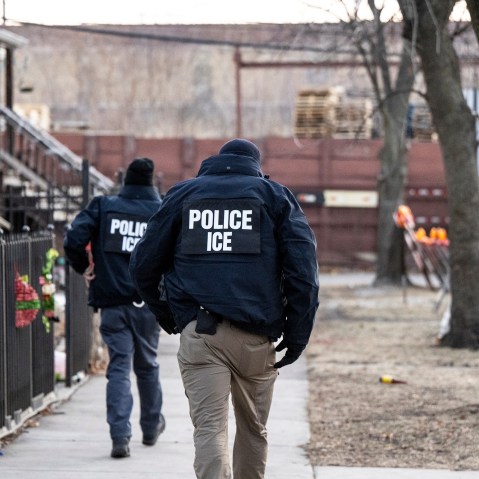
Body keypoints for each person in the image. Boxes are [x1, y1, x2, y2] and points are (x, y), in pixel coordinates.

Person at [130, 139, 319, 478]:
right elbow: (303, 273)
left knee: (210, 431)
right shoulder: (274, 197)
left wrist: (170, 317)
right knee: (253, 431)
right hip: (256, 338)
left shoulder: (184, 195)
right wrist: (297, 334)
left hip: (201, 333)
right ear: (256, 167)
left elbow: (142, 265)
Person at [63, 158, 165, 459]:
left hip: (113, 303)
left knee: (119, 366)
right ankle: (150, 426)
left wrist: (85, 267)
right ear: (150, 185)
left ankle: (120, 435)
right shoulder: (160, 212)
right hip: (149, 305)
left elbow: (73, 240)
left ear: (126, 183)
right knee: (147, 364)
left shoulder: (104, 206)